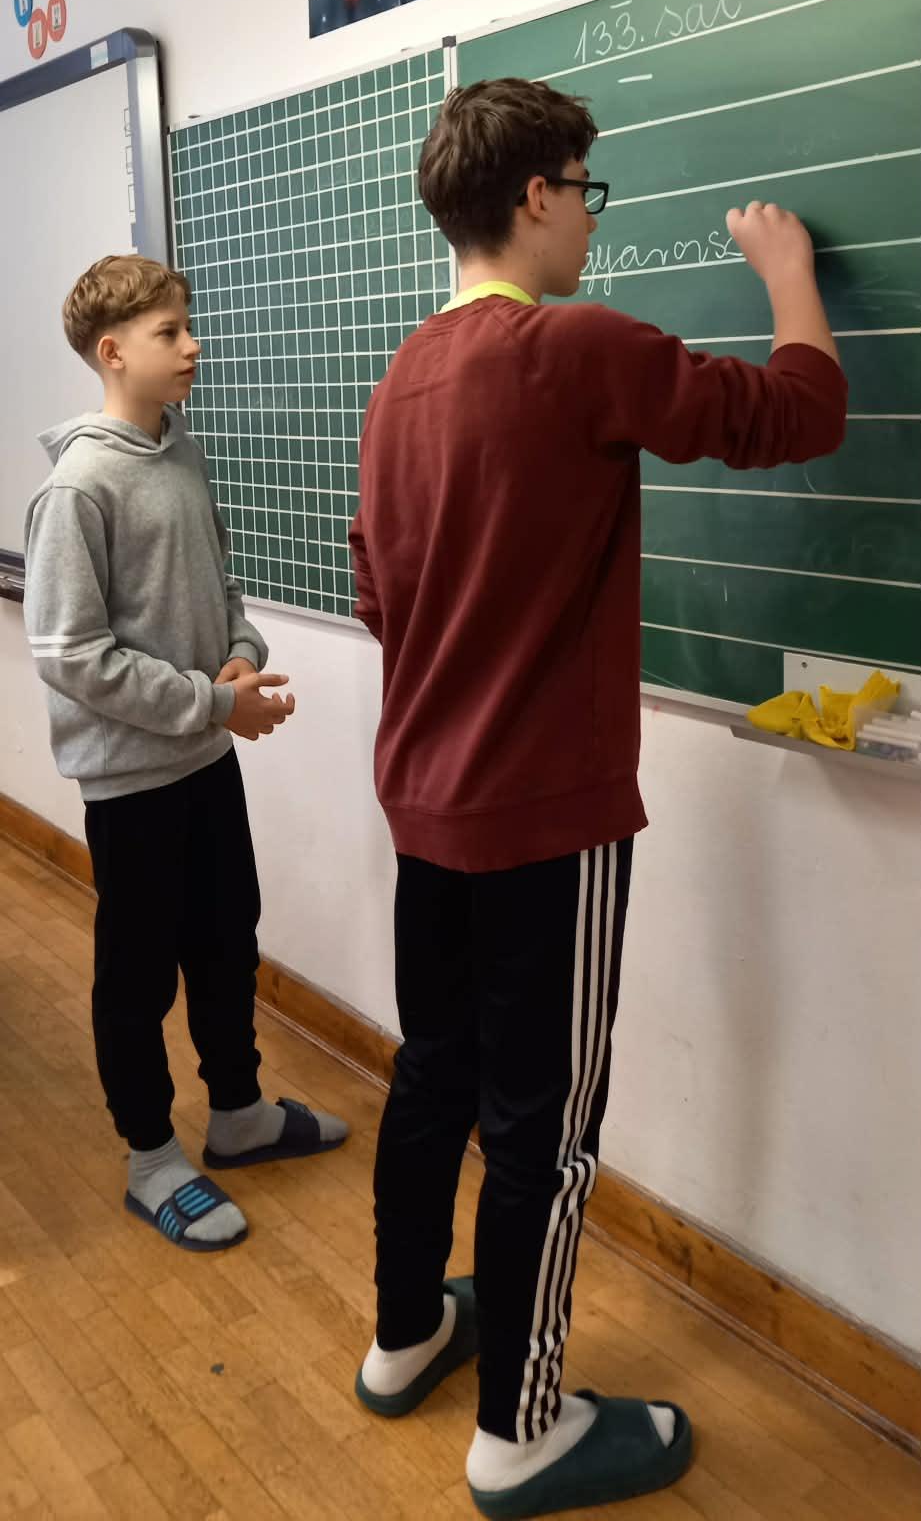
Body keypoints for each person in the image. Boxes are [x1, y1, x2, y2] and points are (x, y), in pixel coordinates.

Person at [348, 79, 847, 1517]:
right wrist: (790, 274)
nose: (590, 220)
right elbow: (797, 412)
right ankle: (521, 1430)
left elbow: (378, 594)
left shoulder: (401, 378)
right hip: (544, 821)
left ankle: (404, 1336)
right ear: (537, 196)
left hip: (425, 802)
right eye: (585, 190)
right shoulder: (570, 349)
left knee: (432, 1078)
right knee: (546, 1132)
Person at [24, 255, 347, 1254]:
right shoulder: (78, 487)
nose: (193, 345)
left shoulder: (181, 451)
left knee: (224, 939)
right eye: (169, 331)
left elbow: (220, 585)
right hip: (133, 782)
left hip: (205, 760)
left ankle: (239, 1113)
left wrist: (240, 653)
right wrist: (213, 702)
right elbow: (69, 653)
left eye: (187, 325)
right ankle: (151, 1156)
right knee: (137, 976)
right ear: (113, 351)